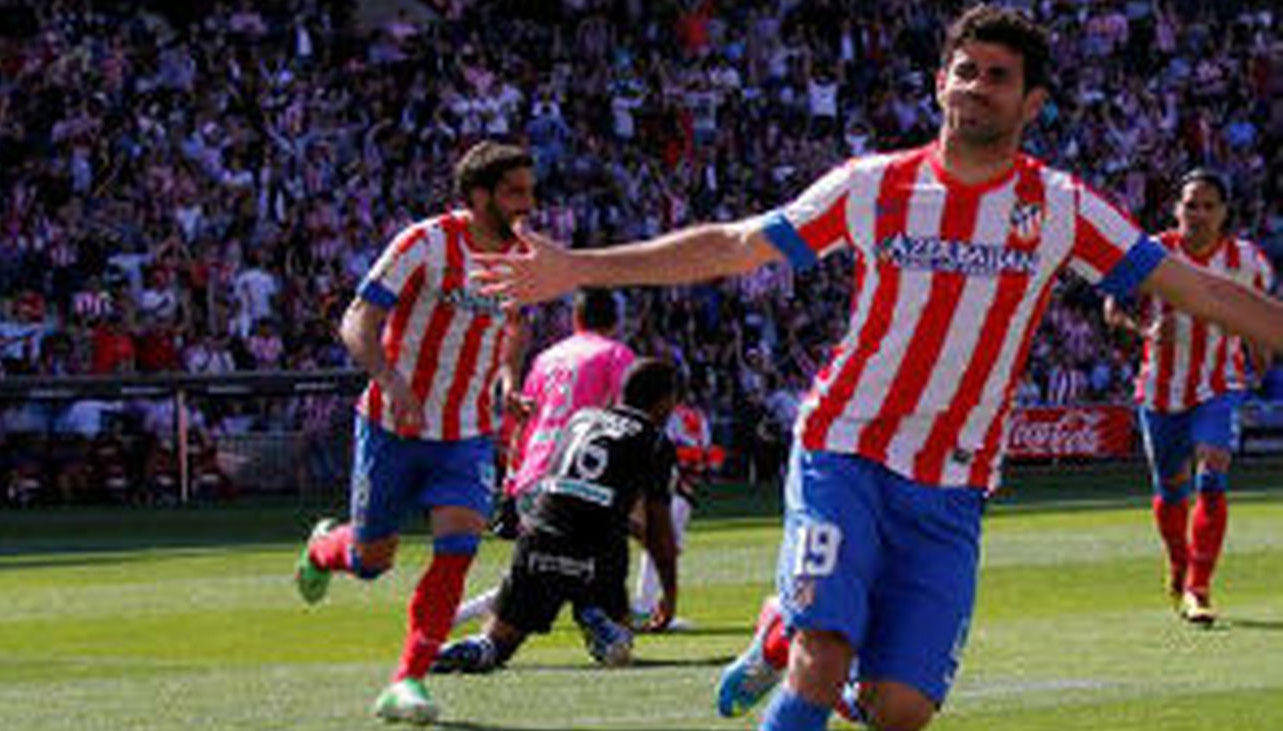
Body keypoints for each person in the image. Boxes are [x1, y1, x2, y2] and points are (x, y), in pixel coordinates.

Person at [471, 7, 1283, 731]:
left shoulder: (1062, 208)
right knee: (823, 660)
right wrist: (579, 266)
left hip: (953, 481)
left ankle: (781, 626)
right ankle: (799, 635)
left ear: (1032, 102)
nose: (977, 86)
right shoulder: (875, 186)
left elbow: (1197, 288)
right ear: (938, 83)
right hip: (846, 447)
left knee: (900, 709)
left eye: (999, 76)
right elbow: (735, 245)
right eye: (965, 70)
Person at [292, 141, 534, 725]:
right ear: (479, 196)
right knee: (371, 559)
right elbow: (358, 319)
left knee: (458, 550)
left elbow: (516, 325)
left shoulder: (525, 256)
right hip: (392, 426)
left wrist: (507, 380)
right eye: (514, 192)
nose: (528, 204)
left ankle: (408, 682)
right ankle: (325, 549)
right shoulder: (424, 244)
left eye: (530, 191)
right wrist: (390, 380)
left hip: (467, 433)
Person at [432, 358, 681, 673]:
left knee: (496, 646)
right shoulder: (655, 441)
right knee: (621, 647)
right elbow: (659, 529)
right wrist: (669, 595)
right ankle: (595, 616)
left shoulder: (581, 418)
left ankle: (453, 651)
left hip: (539, 535)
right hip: (597, 550)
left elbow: (576, 493)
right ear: (665, 400)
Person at [1106, 169, 1275, 626]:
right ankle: (1180, 565)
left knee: (1212, 471)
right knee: (1170, 488)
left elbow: (1257, 315)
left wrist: (1260, 356)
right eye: (1190, 205)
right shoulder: (1153, 254)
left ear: (1223, 213)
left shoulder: (1247, 260)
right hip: (1160, 390)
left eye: (1208, 206)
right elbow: (1113, 308)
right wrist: (1143, 329)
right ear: (1176, 209)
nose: (1198, 214)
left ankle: (1199, 588)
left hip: (1218, 385)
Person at [453, 287, 636, 627]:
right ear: (615, 322)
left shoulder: (546, 358)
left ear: (575, 319)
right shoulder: (616, 355)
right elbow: (627, 418)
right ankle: (608, 621)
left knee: (553, 566)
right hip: (580, 475)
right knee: (566, 569)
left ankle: (604, 617)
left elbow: (522, 422)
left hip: (534, 472)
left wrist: (512, 480)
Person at [630, 396, 712, 630]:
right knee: (661, 546)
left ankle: (648, 606)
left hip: (679, 485)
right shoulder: (676, 416)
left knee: (666, 546)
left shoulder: (692, 416)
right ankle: (644, 607)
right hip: (669, 485)